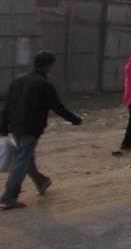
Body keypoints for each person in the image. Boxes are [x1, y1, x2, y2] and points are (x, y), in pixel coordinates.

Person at [0, 51, 82, 210]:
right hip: (31, 127)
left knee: (26, 156)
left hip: (16, 126)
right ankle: (10, 195)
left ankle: (41, 181)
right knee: (23, 158)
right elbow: (57, 107)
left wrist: (3, 126)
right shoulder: (44, 84)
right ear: (48, 66)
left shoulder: (18, 81)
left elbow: (7, 105)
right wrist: (75, 120)